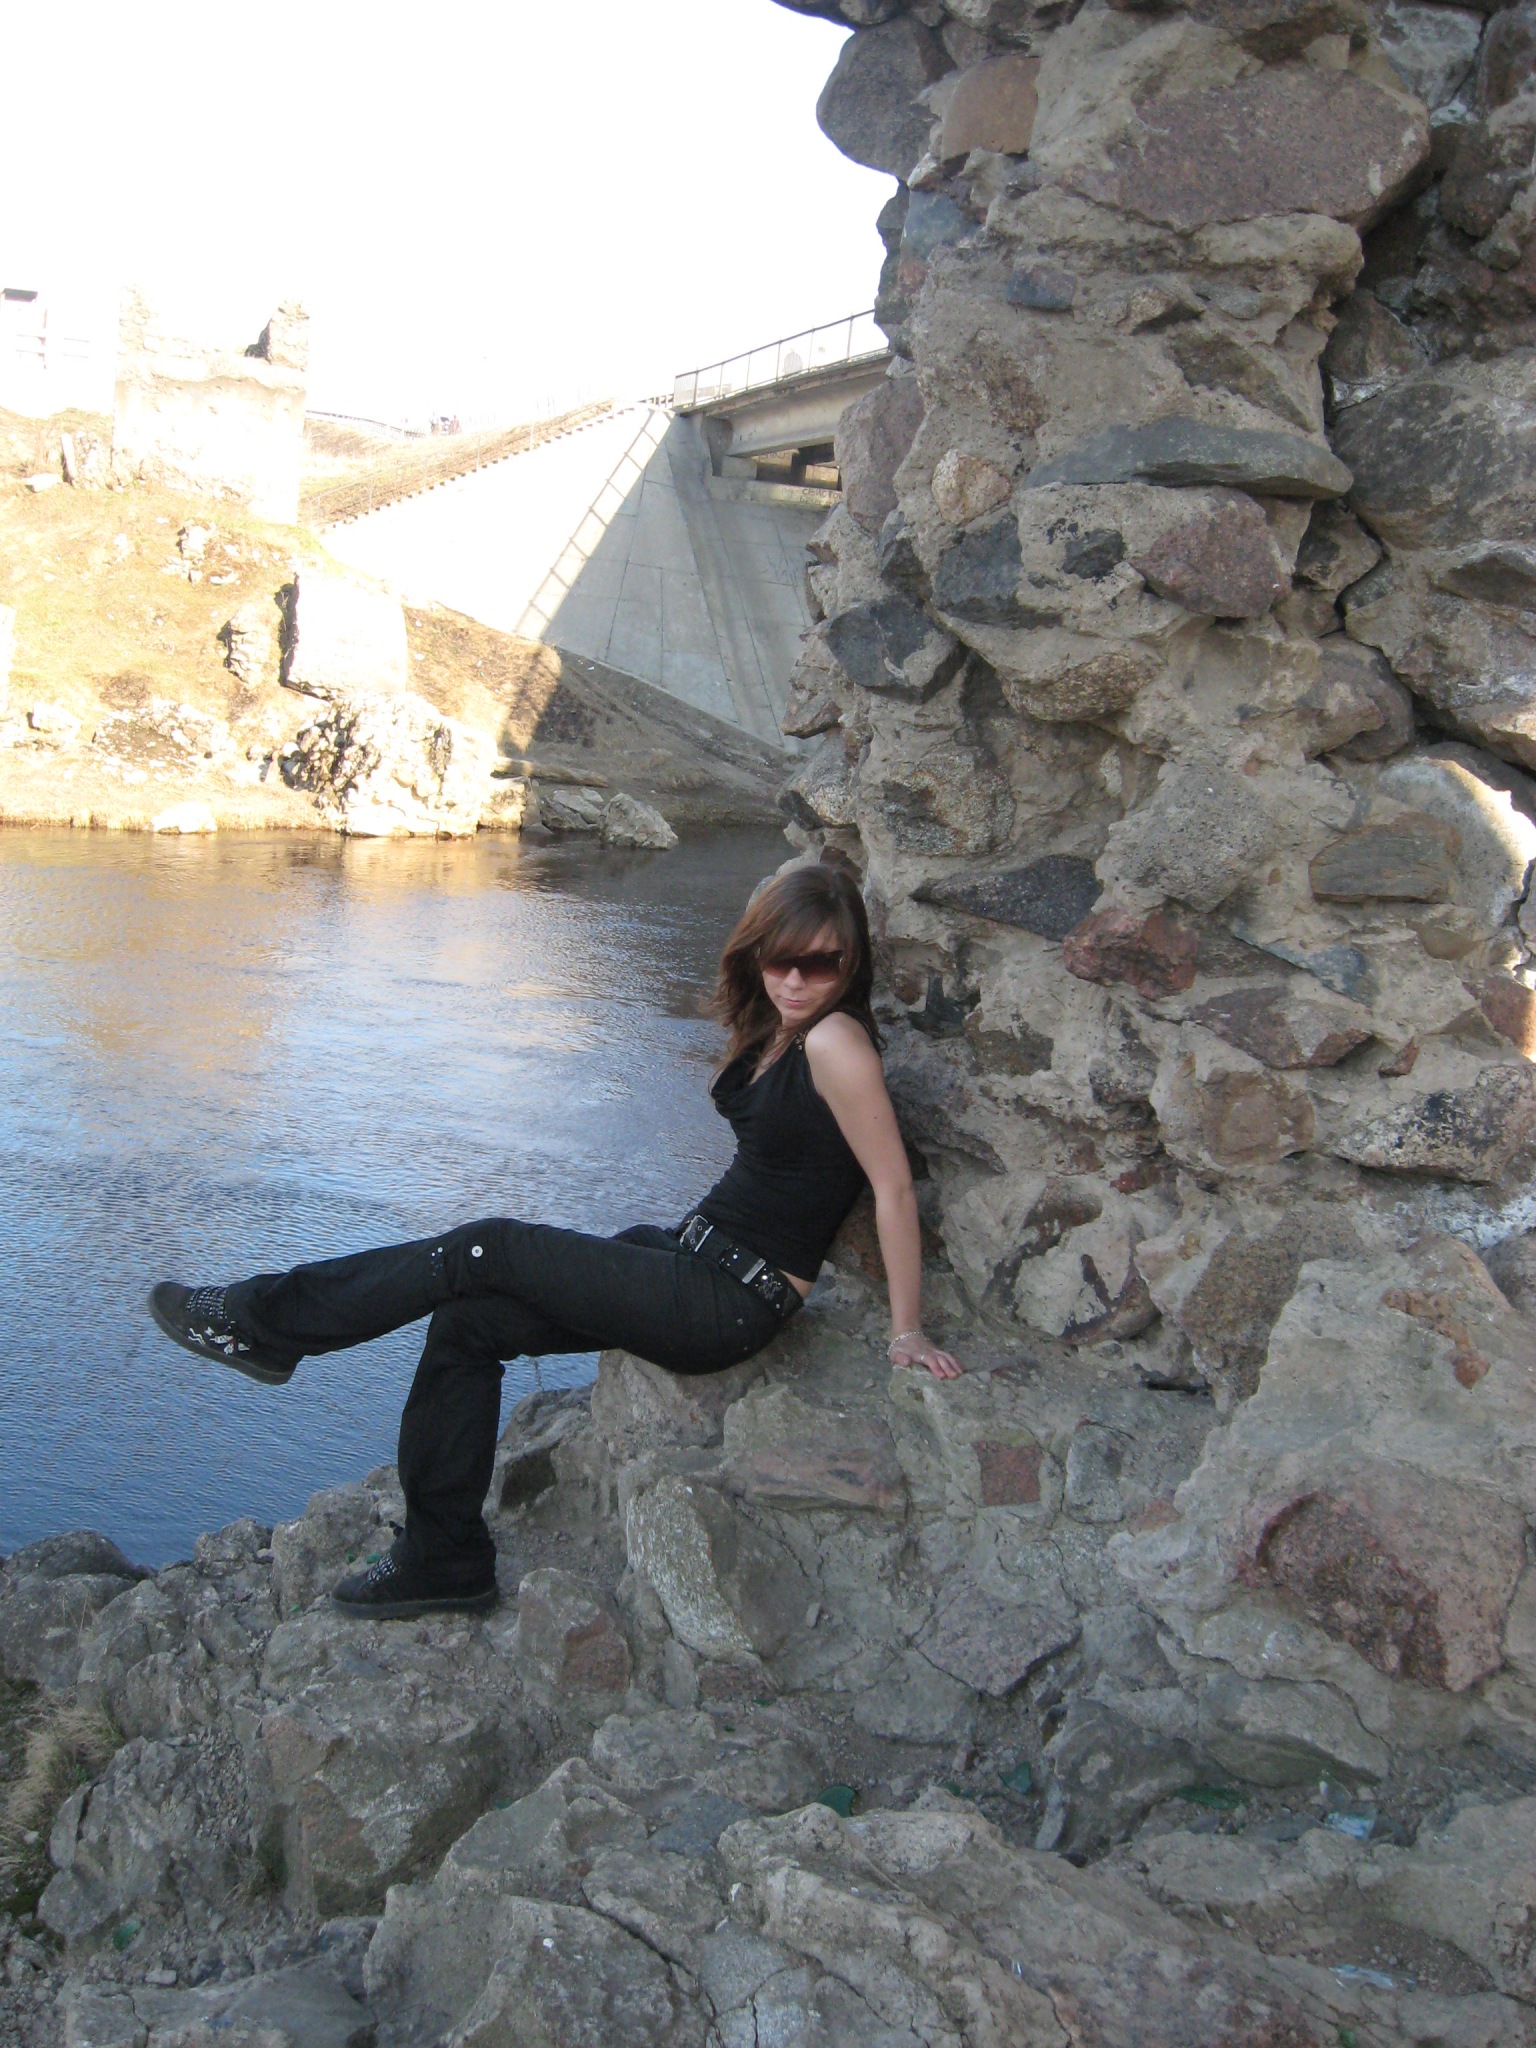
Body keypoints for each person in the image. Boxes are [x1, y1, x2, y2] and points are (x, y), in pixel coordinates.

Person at [148, 862, 961, 1620]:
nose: (794, 980)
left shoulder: (835, 1042)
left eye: (819, 964)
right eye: (779, 958)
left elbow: (892, 1188)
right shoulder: (785, 1027)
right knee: (470, 1321)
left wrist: (907, 1331)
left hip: (728, 1299)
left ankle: (263, 1321)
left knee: (486, 1247)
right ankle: (443, 1558)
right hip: (686, 1255)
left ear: (851, 965)